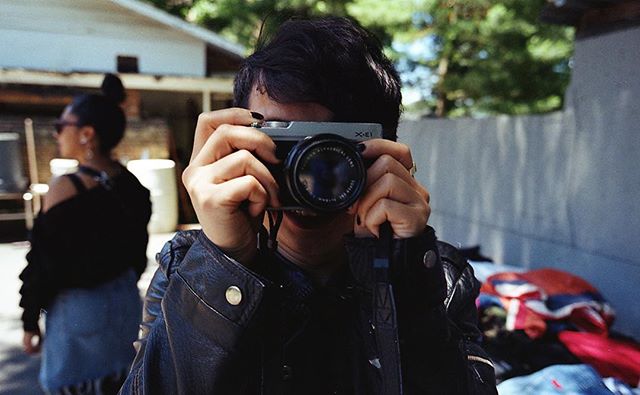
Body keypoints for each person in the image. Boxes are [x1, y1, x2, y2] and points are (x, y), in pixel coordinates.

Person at [121, 17, 496, 394]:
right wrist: (224, 262)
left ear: (387, 154)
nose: (308, 177)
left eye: (333, 153)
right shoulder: (190, 268)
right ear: (236, 145)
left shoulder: (436, 276)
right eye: (283, 148)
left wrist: (402, 271)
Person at [19, 74, 152, 394]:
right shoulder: (133, 187)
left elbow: (42, 261)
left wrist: (29, 318)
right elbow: (138, 253)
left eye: (61, 125)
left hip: (78, 313)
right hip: (123, 304)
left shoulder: (65, 187)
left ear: (86, 134)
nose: (56, 133)